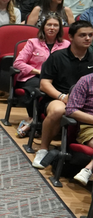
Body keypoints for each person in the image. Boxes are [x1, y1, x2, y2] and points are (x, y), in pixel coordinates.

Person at [30, 21, 93, 168]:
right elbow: (44, 84)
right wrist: (62, 97)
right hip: (58, 97)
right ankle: (44, 148)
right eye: (83, 35)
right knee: (59, 110)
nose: (88, 39)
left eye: (90, 35)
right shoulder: (57, 57)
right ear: (70, 37)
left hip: (87, 101)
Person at [12, 15, 69, 138]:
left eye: (55, 25)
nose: (52, 28)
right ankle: (34, 119)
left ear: (60, 28)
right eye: (49, 25)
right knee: (39, 89)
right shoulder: (33, 42)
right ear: (43, 27)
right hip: (32, 77)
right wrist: (37, 71)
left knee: (58, 89)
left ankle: (43, 121)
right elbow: (18, 63)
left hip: (56, 79)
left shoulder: (66, 44)